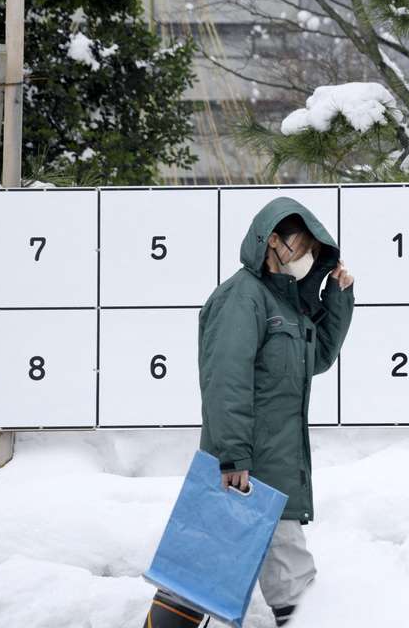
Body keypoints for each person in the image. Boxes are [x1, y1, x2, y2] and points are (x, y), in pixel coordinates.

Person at [145, 196, 354, 628]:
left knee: (194, 579)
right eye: (302, 245)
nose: (308, 256)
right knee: (291, 585)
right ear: (272, 240)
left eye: (315, 250)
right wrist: (233, 455)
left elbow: (316, 358)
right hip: (249, 471)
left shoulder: (286, 305)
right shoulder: (242, 298)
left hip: (270, 465)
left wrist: (337, 295)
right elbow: (226, 381)